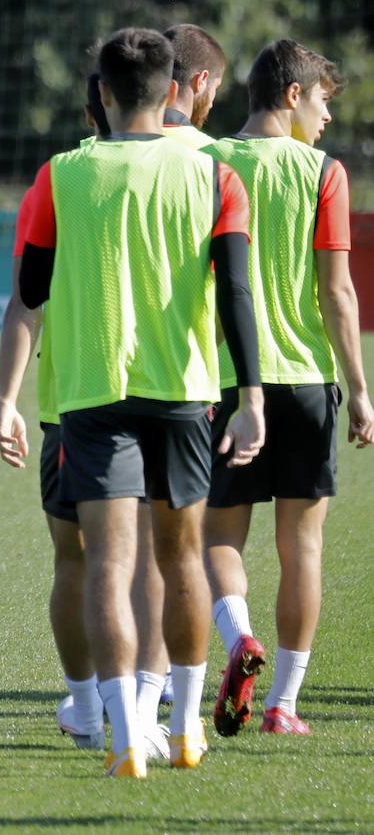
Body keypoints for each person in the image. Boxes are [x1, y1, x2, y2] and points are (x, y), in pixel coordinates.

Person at [19, 27, 264, 778]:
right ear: (175, 91)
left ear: (100, 92)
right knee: (183, 554)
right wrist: (249, 393)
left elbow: (31, 292)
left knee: (108, 564)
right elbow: (237, 294)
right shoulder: (217, 174)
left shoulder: (60, 175)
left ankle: (125, 732)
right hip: (186, 392)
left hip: (93, 394)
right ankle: (185, 729)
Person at [0, 73, 175, 760]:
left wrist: (5, 398)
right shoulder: (187, 169)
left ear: (93, 105)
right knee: (149, 557)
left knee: (79, 561)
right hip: (162, 393)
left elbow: (24, 301)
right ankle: (140, 709)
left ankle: (88, 702)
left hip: (70, 401)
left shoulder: (59, 179)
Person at [202, 39, 373, 737]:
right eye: (325, 100)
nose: (329, 117)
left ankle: (240, 637)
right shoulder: (322, 173)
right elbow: (337, 293)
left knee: (218, 537)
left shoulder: (204, 162)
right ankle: (284, 704)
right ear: (294, 95)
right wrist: (360, 388)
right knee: (302, 547)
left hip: (220, 380)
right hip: (306, 382)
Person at [160, 24, 227, 147]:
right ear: (201, 80)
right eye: (215, 88)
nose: (211, 104)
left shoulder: (121, 143)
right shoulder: (212, 154)